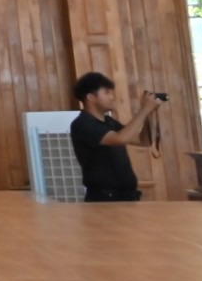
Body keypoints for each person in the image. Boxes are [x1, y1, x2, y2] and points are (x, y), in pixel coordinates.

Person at [69, 72, 161, 202]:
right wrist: (144, 110)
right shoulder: (83, 124)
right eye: (107, 93)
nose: (112, 97)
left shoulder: (109, 122)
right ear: (91, 97)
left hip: (126, 195)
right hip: (104, 198)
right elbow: (120, 139)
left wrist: (149, 114)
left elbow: (142, 141)